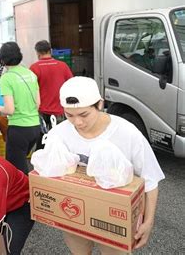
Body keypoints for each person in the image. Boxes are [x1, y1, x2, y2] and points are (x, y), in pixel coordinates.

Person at [49, 76, 165, 254]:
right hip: (74, 215)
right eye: (69, 115)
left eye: (84, 114)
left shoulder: (127, 133)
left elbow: (150, 181)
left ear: (100, 104)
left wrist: (148, 221)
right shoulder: (60, 133)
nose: (77, 122)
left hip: (115, 219)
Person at [0, 42, 40, 173]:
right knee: (23, 163)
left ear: (2, 59)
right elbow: (38, 104)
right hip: (35, 127)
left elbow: (9, 110)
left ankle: (26, 193)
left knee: (17, 171)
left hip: (19, 129)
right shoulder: (30, 74)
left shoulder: (6, 78)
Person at [29, 40, 73, 130]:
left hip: (42, 110)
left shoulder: (34, 68)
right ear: (51, 51)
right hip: (60, 109)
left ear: (37, 53)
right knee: (61, 138)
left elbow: (30, 90)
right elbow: (71, 84)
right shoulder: (63, 65)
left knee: (43, 139)